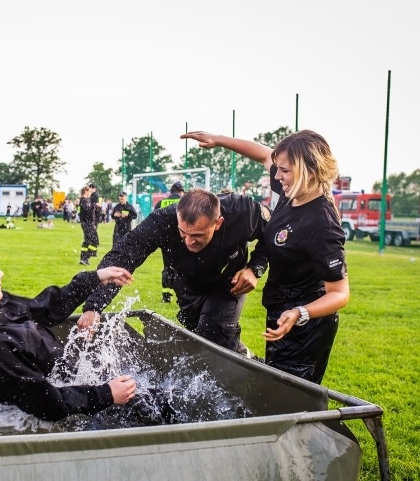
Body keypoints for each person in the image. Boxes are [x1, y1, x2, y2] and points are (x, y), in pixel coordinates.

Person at [181, 130, 349, 383]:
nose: (277, 175)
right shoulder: (292, 193)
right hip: (280, 313)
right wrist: (218, 140)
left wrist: (300, 313)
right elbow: (262, 154)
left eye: (284, 170)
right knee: (273, 389)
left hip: (305, 328)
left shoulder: (322, 224)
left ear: (309, 171)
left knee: (292, 398)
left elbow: (339, 293)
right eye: (278, 168)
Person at [0, 244, 137, 421]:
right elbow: (48, 404)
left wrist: (95, 279)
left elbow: (43, 309)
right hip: (34, 411)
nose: (0, 274)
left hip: (63, 380)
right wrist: (107, 393)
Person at [78, 188, 270, 356]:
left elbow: (277, 229)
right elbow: (121, 258)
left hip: (228, 283)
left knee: (211, 342)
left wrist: (255, 268)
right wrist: (94, 306)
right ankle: (245, 357)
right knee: (196, 341)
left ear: (217, 223)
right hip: (186, 284)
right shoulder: (162, 220)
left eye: (197, 235)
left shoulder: (242, 211)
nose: (189, 242)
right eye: (183, 233)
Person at [154, 181, 185, 303]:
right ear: (180, 191)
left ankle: (166, 296)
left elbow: (154, 218)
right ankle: (181, 296)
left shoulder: (162, 202)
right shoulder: (183, 202)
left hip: (165, 240)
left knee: (167, 267)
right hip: (181, 238)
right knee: (181, 267)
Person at [78, 186, 99, 265]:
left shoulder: (85, 200)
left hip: (86, 223)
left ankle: (82, 258)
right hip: (87, 223)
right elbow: (87, 210)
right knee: (95, 241)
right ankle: (85, 258)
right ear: (85, 191)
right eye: (89, 191)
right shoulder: (83, 200)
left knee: (87, 241)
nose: (91, 193)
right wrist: (94, 205)